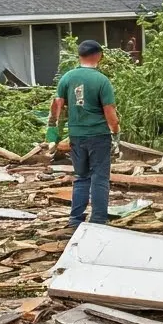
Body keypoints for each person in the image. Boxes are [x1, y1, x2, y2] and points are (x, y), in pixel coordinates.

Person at [47, 40, 120, 227]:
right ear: (98, 56)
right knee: (100, 177)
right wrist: (116, 132)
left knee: (81, 177)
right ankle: (98, 219)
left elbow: (57, 106)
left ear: (80, 56)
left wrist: (53, 132)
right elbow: (109, 111)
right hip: (98, 135)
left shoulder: (67, 78)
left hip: (76, 135)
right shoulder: (102, 81)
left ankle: (75, 219)